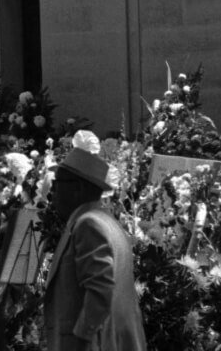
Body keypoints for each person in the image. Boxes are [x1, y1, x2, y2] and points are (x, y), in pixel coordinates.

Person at [42, 145, 147, 351]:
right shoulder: (107, 221)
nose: (52, 192)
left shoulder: (88, 224)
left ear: (78, 188)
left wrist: (83, 338)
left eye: (57, 184)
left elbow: (100, 289)